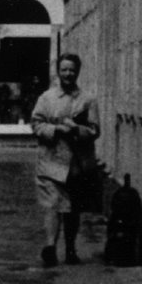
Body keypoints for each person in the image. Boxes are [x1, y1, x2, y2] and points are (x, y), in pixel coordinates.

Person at [30, 51, 100, 267]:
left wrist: (77, 129)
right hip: (51, 161)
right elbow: (36, 124)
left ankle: (70, 248)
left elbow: (95, 130)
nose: (68, 74)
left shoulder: (88, 99)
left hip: (77, 164)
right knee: (52, 205)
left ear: (77, 71)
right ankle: (51, 247)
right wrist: (56, 130)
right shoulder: (47, 98)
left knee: (72, 209)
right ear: (58, 72)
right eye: (64, 70)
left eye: (71, 70)